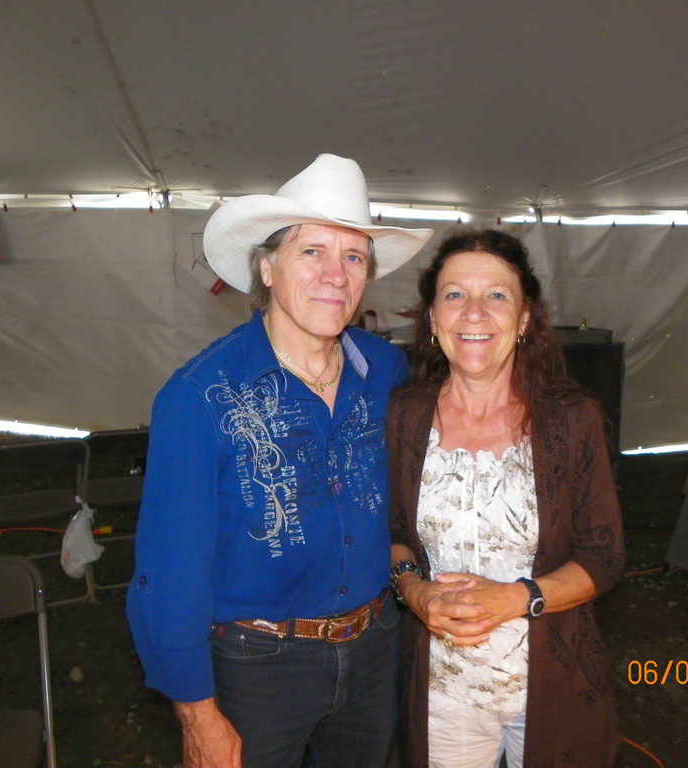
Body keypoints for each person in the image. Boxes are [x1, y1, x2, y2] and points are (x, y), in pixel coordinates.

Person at [127, 154, 433, 768]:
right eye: (312, 251)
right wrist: (197, 714)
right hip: (257, 667)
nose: (335, 275)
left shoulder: (386, 371)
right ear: (267, 268)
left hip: (374, 647)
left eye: (354, 257)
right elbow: (170, 569)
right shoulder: (200, 396)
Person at [387, 229, 624, 768]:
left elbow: (604, 556)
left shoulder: (571, 420)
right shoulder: (403, 416)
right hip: (443, 692)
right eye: (454, 294)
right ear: (433, 319)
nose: (473, 312)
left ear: (523, 320)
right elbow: (393, 534)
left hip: (551, 682)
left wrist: (515, 599)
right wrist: (415, 591)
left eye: (496, 294)